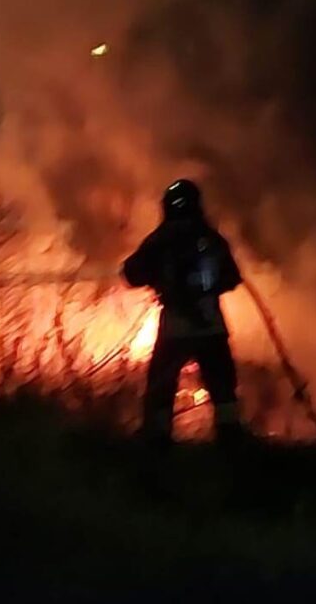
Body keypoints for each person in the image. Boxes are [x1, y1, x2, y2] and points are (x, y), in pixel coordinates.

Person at [122, 179, 246, 446]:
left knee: (162, 384)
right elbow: (233, 277)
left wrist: (158, 278)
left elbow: (131, 273)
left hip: (175, 329)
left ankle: (157, 439)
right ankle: (231, 439)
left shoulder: (161, 239)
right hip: (211, 326)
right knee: (222, 386)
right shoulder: (211, 239)